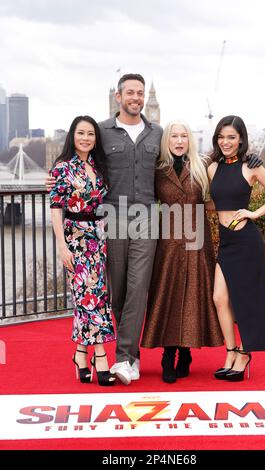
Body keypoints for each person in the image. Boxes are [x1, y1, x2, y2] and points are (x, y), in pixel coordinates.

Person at [46, 74, 163, 385]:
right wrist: (55, 180)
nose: (136, 98)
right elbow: (81, 163)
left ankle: (126, 359)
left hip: (147, 218)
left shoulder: (158, 134)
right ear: (118, 96)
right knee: (116, 290)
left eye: (140, 93)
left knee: (138, 288)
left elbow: (178, 162)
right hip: (109, 219)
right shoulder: (102, 132)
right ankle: (89, 354)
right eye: (130, 92)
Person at [141, 121, 224, 383]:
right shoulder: (156, 170)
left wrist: (252, 159)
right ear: (167, 141)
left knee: (192, 297)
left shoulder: (202, 165)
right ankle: (167, 356)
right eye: (174, 136)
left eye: (184, 136)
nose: (179, 141)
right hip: (167, 244)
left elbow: (227, 151)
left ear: (190, 140)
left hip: (197, 244)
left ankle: (186, 353)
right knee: (169, 296)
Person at [208, 115, 265, 381]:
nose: (225, 142)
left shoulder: (251, 167)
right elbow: (215, 203)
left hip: (246, 241)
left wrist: (254, 214)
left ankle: (244, 353)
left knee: (247, 301)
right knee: (219, 298)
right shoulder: (212, 168)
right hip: (226, 241)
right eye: (221, 137)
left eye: (231, 137)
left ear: (241, 139)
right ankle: (231, 351)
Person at [49, 115, 116, 386]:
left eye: (90, 133)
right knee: (88, 296)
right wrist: (61, 245)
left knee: (92, 296)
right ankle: (100, 357)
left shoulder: (98, 166)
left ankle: (79, 355)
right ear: (72, 136)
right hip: (75, 238)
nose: (86, 138)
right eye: (81, 133)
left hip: (98, 238)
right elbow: (56, 209)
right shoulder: (62, 168)